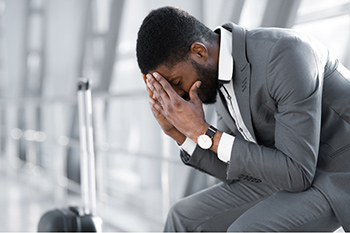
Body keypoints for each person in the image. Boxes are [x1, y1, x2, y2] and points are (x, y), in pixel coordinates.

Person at [136, 6, 350, 232]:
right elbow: (235, 171)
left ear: (199, 52)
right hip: (287, 172)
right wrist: (179, 134)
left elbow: (297, 173)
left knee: (245, 230)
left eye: (177, 83)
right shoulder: (216, 78)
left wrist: (205, 133)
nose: (179, 96)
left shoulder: (283, 54)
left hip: (334, 172)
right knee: (183, 217)